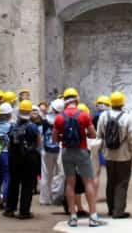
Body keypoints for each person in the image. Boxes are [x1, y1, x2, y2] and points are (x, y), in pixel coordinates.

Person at [53, 88, 105, 228]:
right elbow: (93, 134)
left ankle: (73, 216)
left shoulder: (59, 117)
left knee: (70, 183)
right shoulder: (83, 115)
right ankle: (93, 216)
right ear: (77, 99)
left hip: (66, 151)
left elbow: (54, 138)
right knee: (88, 181)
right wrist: (84, 135)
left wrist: (64, 137)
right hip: (82, 151)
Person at [97, 91, 132, 219]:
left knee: (111, 181)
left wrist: (101, 150)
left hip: (109, 154)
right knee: (122, 182)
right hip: (124, 155)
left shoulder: (104, 116)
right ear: (123, 103)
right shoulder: (127, 117)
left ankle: (111, 209)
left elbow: (99, 135)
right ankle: (118, 211)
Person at [3, 100, 42, 220]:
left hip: (14, 158)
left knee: (14, 183)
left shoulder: (13, 125)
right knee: (27, 185)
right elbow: (39, 143)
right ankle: (24, 212)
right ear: (30, 112)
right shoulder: (33, 127)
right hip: (29, 159)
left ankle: (10, 209)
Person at [39, 98, 64, 206]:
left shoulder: (45, 120)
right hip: (59, 149)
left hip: (46, 150)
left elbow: (41, 135)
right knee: (60, 174)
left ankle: (45, 199)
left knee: (46, 174)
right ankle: (56, 196)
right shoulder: (63, 120)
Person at [89, 96, 111, 194]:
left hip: (96, 145)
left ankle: (95, 195)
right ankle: (112, 195)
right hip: (109, 147)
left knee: (96, 174)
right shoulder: (111, 117)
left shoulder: (94, 118)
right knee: (112, 173)